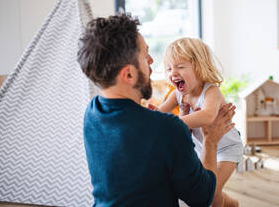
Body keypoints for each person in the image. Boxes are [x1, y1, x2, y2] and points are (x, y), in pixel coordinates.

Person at [77, 13, 236, 207]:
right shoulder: (166, 128)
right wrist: (211, 141)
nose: (152, 61)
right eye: (145, 55)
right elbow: (202, 198)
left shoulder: (92, 112)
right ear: (128, 74)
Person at [155, 38, 242, 207]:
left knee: (212, 193)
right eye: (169, 68)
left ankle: (230, 204)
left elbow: (207, 116)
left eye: (180, 67)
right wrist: (150, 115)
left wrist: (174, 122)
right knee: (205, 191)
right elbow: (160, 115)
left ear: (199, 67)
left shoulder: (211, 91)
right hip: (202, 148)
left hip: (227, 148)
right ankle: (231, 204)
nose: (173, 73)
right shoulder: (177, 94)